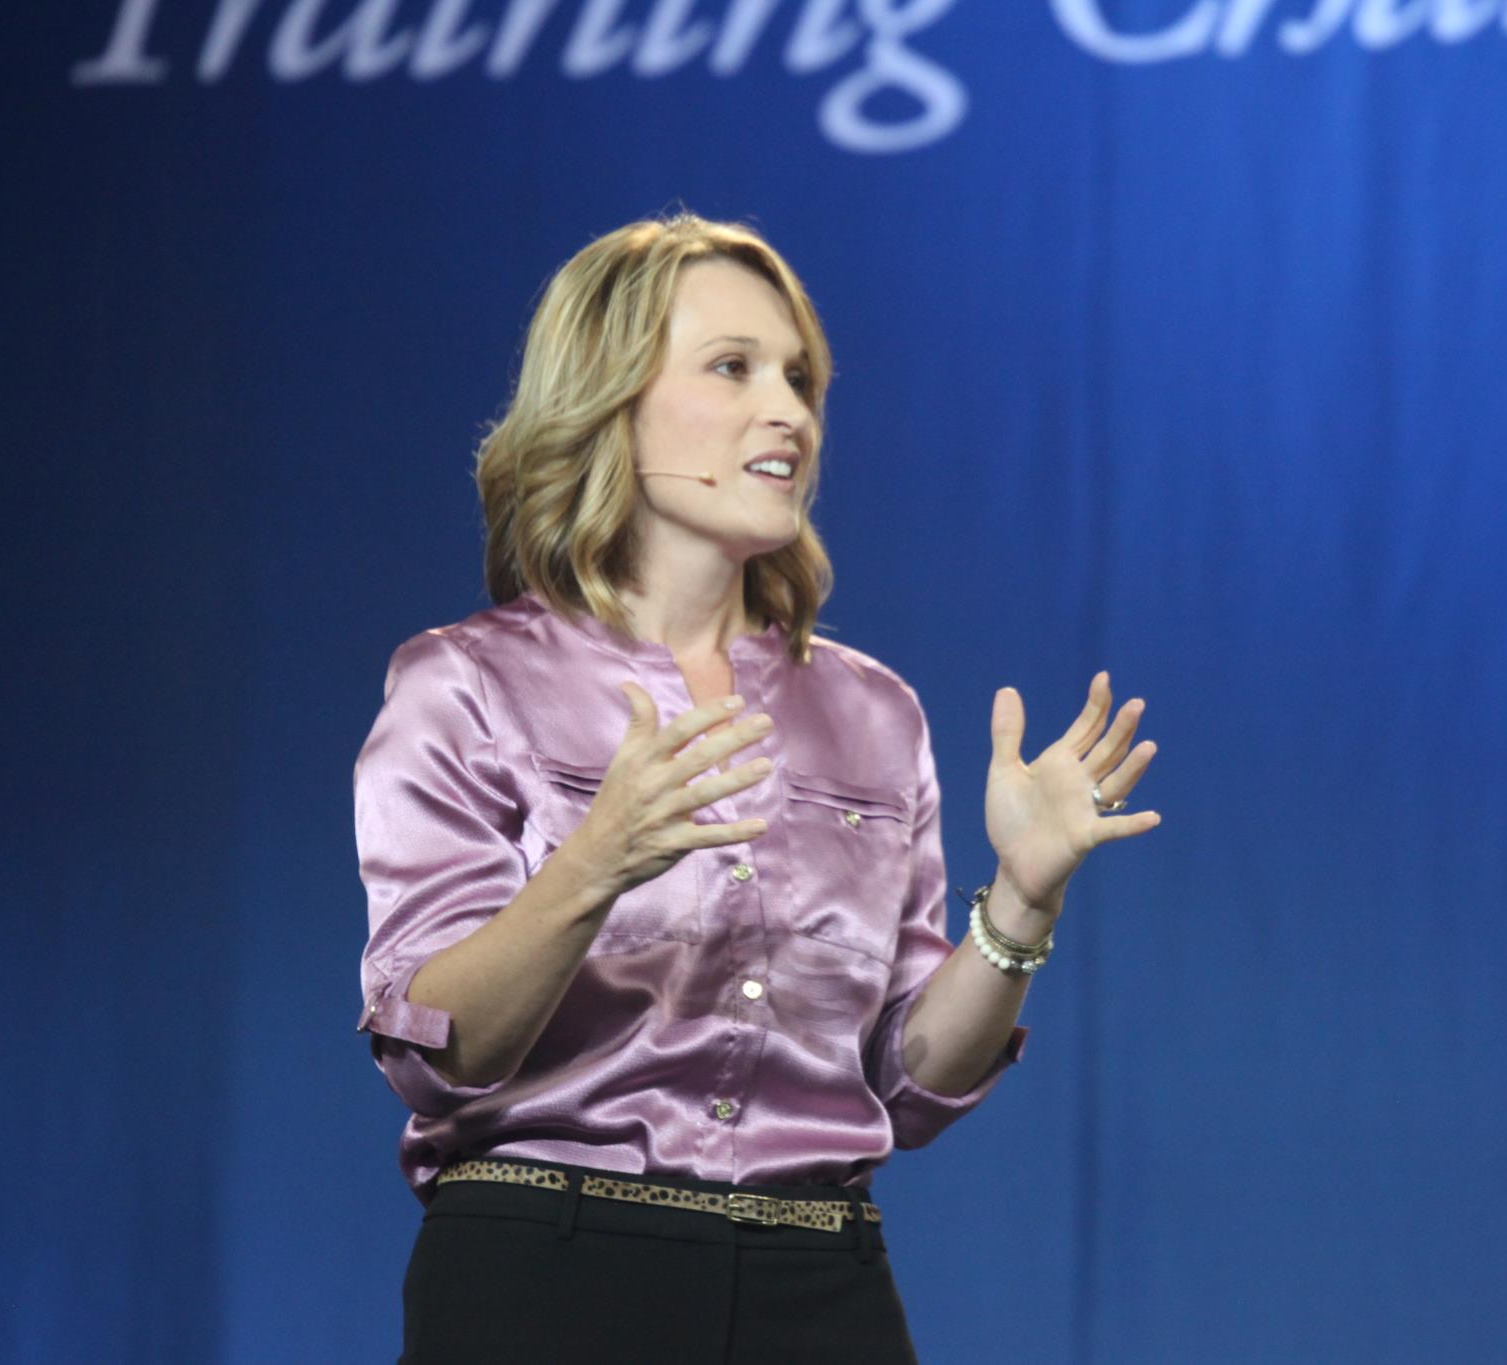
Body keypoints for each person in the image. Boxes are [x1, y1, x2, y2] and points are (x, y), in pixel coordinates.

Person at [353, 213, 1160, 1364]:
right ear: (609, 401)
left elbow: (909, 1083)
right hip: (547, 1268)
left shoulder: (874, 711)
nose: (788, 412)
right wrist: (595, 863)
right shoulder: (465, 684)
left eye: (799, 380)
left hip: (818, 1281)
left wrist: (1020, 905)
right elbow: (434, 1054)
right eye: (732, 368)